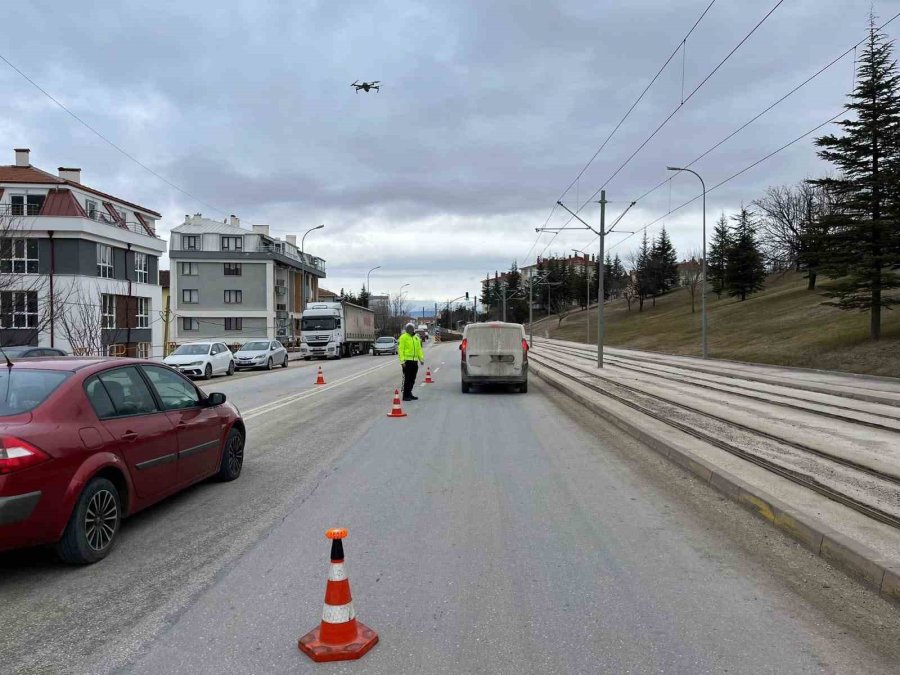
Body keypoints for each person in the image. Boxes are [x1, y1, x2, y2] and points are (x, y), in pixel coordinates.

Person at [398, 322, 425, 401]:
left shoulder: (416, 338)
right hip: (407, 362)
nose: (410, 329)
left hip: (414, 361)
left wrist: (421, 359)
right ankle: (405, 395)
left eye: (411, 328)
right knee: (407, 379)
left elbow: (419, 349)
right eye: (408, 328)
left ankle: (409, 392)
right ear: (406, 329)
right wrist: (402, 361)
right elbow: (400, 349)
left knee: (413, 378)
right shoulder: (403, 337)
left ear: (414, 329)